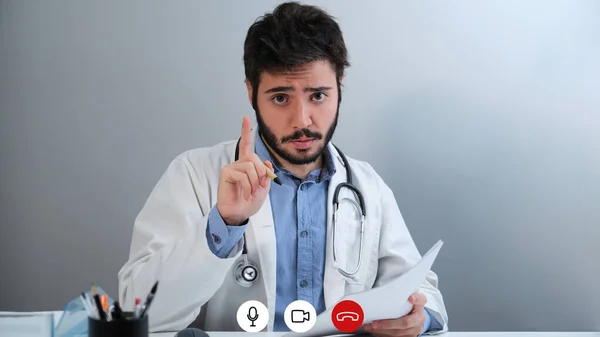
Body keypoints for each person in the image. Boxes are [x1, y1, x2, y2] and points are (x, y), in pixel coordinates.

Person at [117, 2, 448, 336]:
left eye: (318, 95)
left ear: (339, 88)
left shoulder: (367, 186)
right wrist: (224, 223)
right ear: (252, 93)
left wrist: (418, 318)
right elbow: (136, 311)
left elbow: (424, 292)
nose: (302, 120)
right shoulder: (193, 174)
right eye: (280, 98)